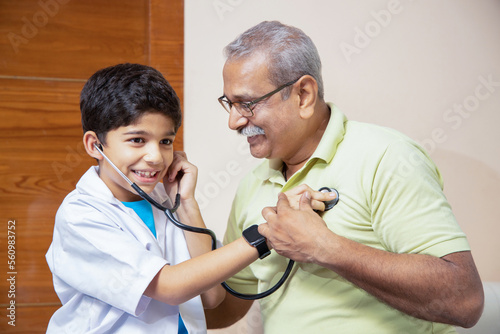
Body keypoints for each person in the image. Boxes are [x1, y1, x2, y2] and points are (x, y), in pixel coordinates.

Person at [205, 21, 484, 333]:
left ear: (304, 95)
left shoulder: (387, 157)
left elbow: (465, 300)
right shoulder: (251, 184)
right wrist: (183, 205)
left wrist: (324, 247)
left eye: (247, 103)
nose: (233, 121)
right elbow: (225, 307)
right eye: (230, 103)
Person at [45, 63, 293, 333]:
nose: (155, 157)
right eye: (138, 140)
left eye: (165, 141)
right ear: (95, 145)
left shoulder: (168, 203)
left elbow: (212, 297)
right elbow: (170, 287)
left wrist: (187, 204)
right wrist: (264, 235)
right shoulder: (81, 215)